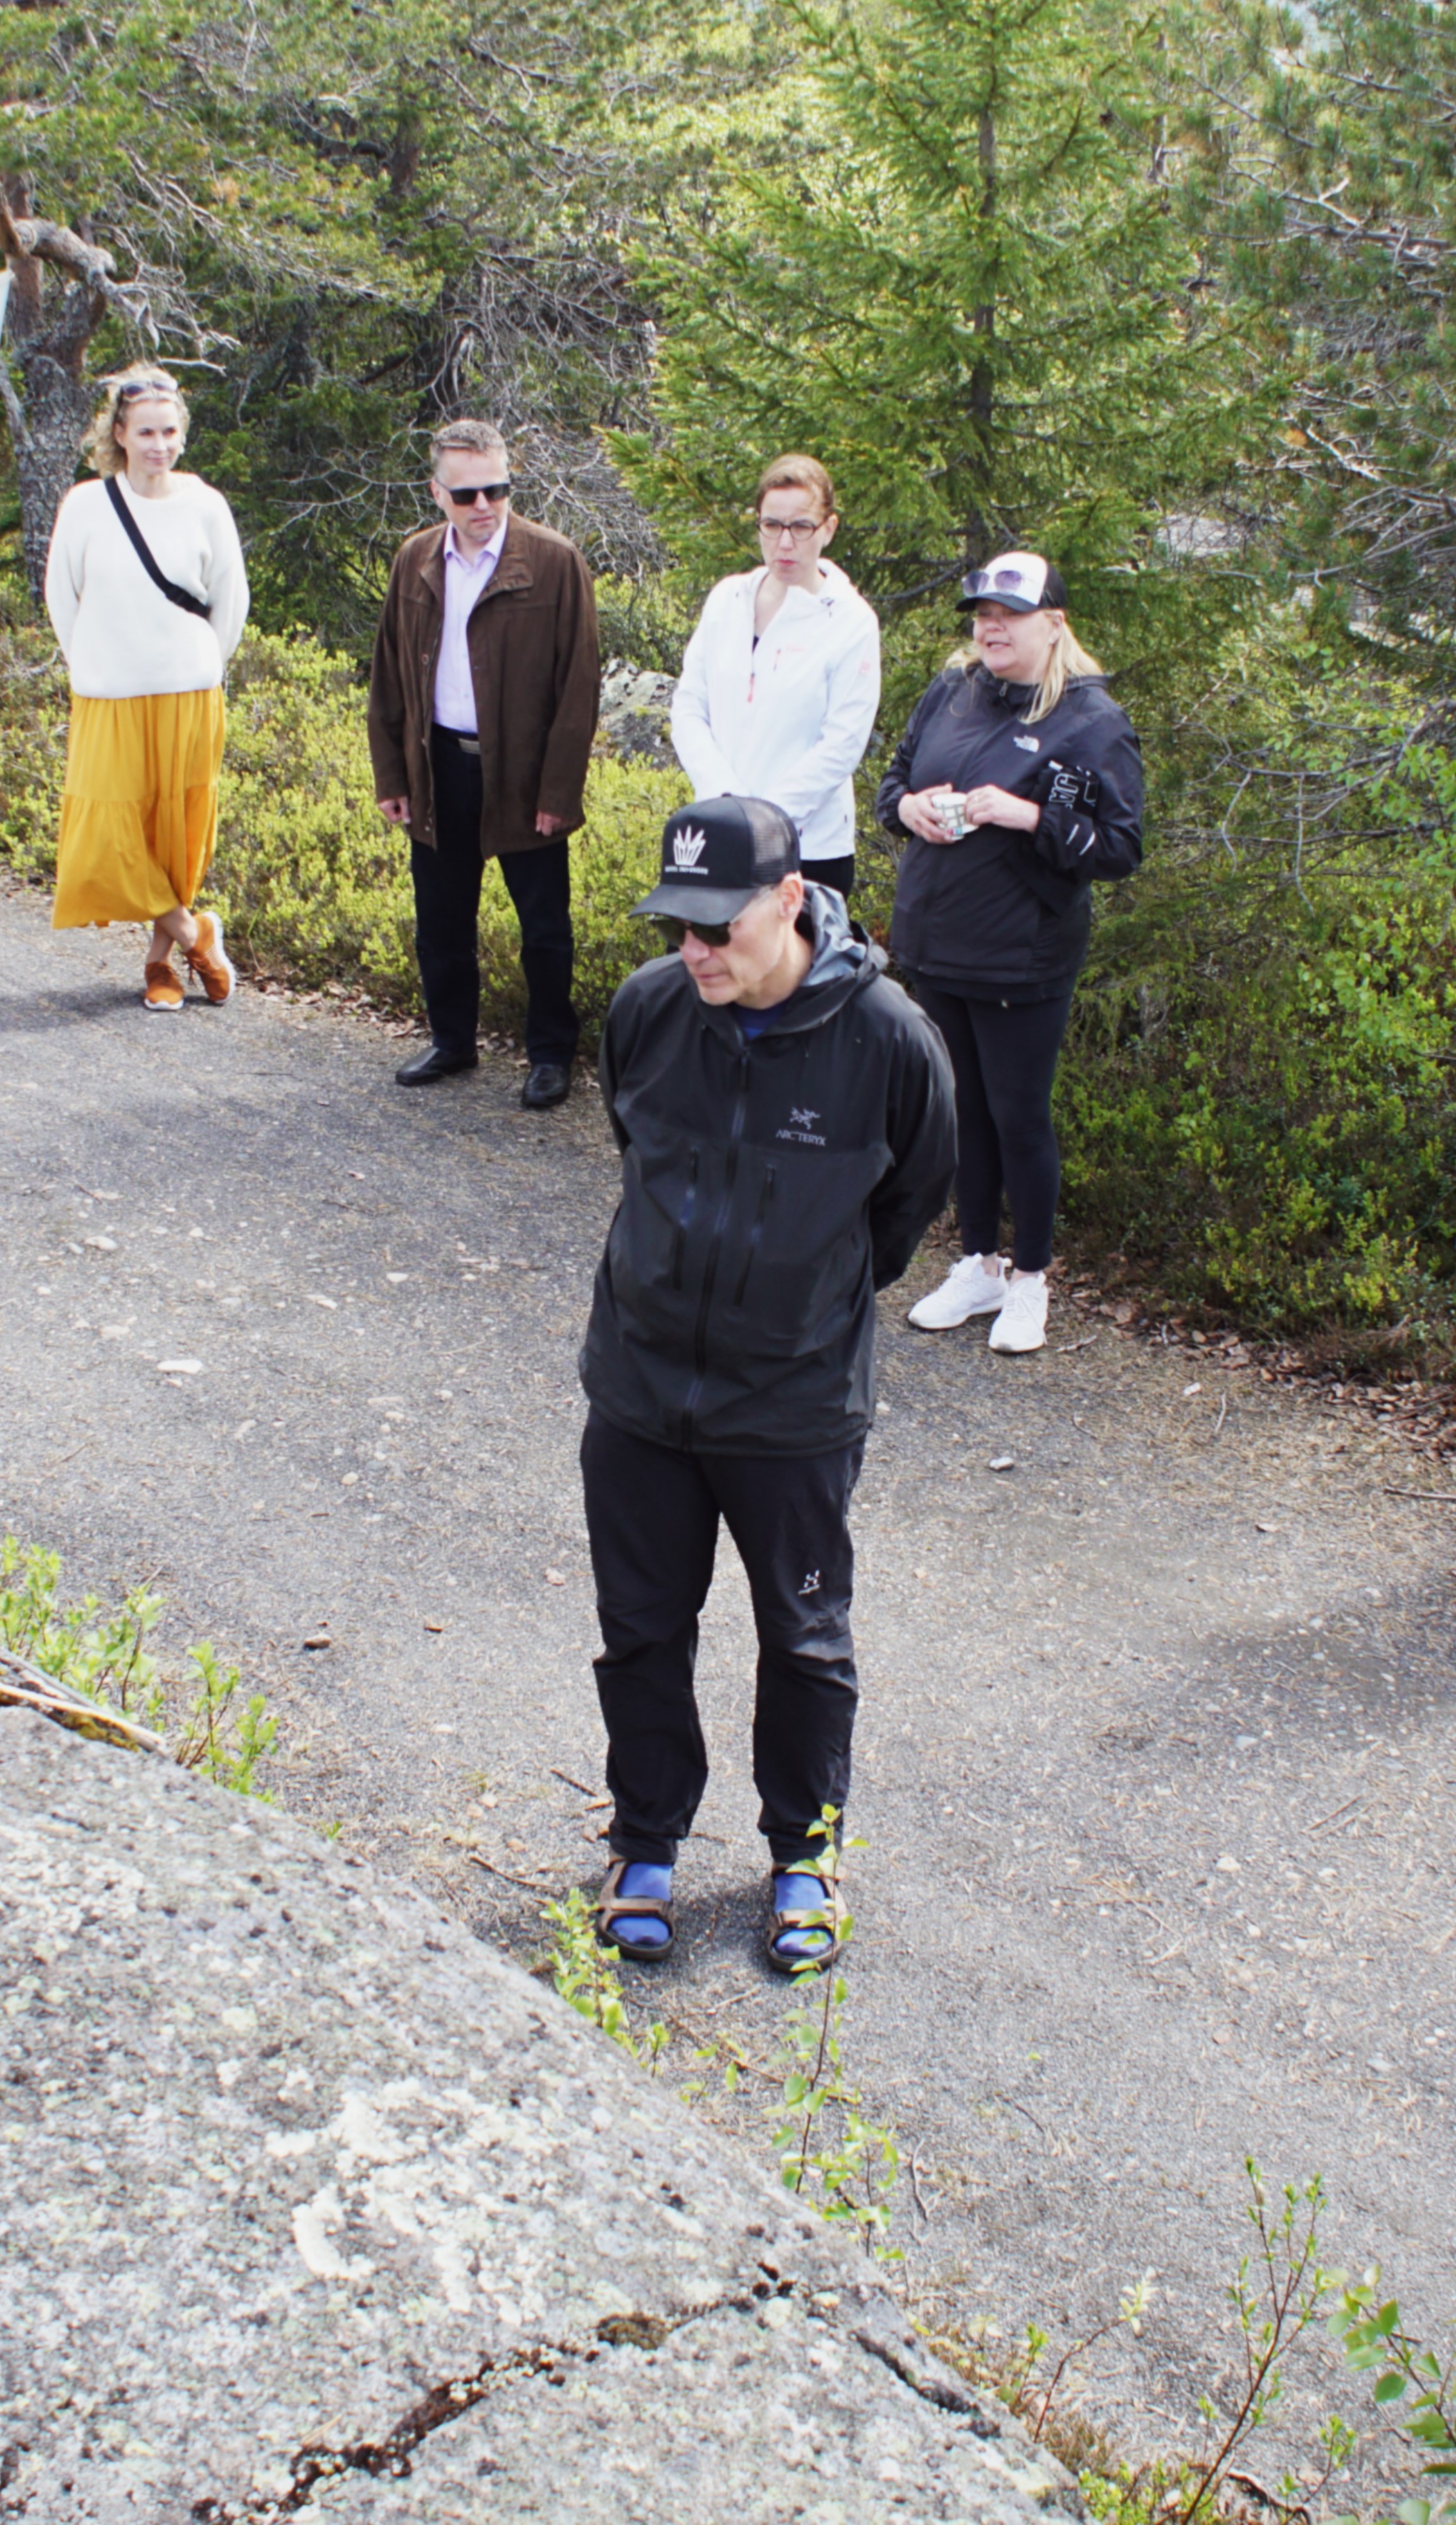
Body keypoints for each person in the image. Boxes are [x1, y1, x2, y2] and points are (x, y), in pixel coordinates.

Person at [576, 794, 955, 1979]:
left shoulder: (888, 1041)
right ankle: (645, 1845)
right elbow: (635, 1150)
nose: (694, 952)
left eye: (718, 929)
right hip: (640, 1389)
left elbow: (904, 1213)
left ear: (790, 901)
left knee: (803, 1636)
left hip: (790, 1408)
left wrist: (796, 1307)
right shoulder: (648, 1012)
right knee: (641, 1630)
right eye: (676, 925)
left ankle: (805, 1853)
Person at [878, 549, 1145, 1359]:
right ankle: (977, 1263)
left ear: (1054, 623)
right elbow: (891, 784)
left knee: (1019, 1117)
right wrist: (911, 808)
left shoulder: (1092, 721)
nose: (990, 626)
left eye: (1010, 614)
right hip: (937, 940)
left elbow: (1123, 847)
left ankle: (1030, 1279)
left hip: (1023, 955)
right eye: (982, 614)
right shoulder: (950, 690)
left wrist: (1029, 818)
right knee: (961, 1114)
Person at [366, 419, 604, 1108]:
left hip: (525, 775)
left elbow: (578, 687)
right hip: (438, 764)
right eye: (466, 493)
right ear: (438, 491)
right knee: (440, 920)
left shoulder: (554, 562)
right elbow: (387, 675)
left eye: (496, 490)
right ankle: (452, 1041)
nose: (482, 507)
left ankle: (551, 1055)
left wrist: (559, 788)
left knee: (544, 929)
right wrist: (393, 777)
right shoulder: (415, 559)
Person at [43, 364, 249, 1003]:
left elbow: (231, 599)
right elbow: (61, 595)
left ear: (181, 435)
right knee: (106, 838)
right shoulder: (85, 504)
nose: (158, 444)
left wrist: (203, 664)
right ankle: (195, 933)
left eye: (169, 431)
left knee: (176, 833)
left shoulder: (205, 504)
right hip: (108, 693)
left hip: (188, 691)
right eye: (145, 432)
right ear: (120, 435)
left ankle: (160, 966)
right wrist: (91, 665)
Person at [669, 455, 880, 903]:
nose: (785, 542)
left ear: (828, 528)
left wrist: (765, 821)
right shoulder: (728, 598)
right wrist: (726, 800)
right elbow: (690, 706)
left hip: (810, 850)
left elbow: (841, 744)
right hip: (718, 830)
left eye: (801, 526)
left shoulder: (850, 620)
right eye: (772, 525)